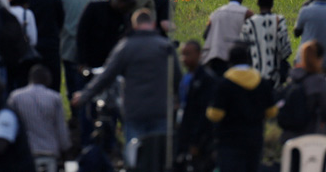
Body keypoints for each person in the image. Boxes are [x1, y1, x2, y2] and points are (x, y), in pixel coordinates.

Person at [73, 9, 180, 145]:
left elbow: (107, 75)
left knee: (134, 152)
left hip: (135, 110)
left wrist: (85, 95)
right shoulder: (166, 46)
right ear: (153, 24)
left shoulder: (126, 47)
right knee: (159, 152)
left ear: (134, 25)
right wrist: (178, 101)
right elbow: (178, 78)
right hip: (161, 109)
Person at [205, 42, 277, 172]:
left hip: (229, 141)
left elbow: (216, 115)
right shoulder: (262, 83)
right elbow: (271, 112)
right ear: (249, 60)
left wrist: (209, 111)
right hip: (255, 139)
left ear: (230, 61)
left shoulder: (224, 84)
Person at [7, 65, 71, 167]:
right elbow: (61, 129)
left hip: (26, 153)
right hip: (50, 152)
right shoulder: (55, 97)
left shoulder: (15, 97)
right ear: (47, 79)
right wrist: (65, 150)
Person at [59, 0, 102, 107]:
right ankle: (91, 114)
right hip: (92, 48)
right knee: (90, 83)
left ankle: (76, 116)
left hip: (69, 47)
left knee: (72, 84)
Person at [281, 41, 326, 141]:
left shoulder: (293, 77)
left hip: (290, 136)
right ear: (319, 59)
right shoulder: (318, 82)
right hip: (313, 135)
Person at [176, 40, 215, 171]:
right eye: (182, 54)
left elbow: (204, 113)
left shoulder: (206, 79)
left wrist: (197, 142)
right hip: (184, 134)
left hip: (200, 139)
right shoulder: (186, 78)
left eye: (188, 54)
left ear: (199, 54)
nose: (184, 58)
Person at [240, 0, 291, 86]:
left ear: (258, 3)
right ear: (272, 4)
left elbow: (243, 49)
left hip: (254, 78)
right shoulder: (279, 21)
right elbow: (286, 50)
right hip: (275, 79)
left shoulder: (249, 23)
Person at [77, 0, 136, 70]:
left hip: (113, 60)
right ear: (118, 1)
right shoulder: (95, 9)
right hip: (92, 58)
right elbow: (81, 33)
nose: (126, 10)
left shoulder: (125, 16)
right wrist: (82, 61)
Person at [202, 0, 253, 75]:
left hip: (217, 58)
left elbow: (206, 35)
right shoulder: (247, 13)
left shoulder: (216, 13)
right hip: (238, 61)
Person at [27, 0, 65, 93]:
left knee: (32, 77)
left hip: (32, 46)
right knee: (54, 78)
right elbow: (61, 20)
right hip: (51, 44)